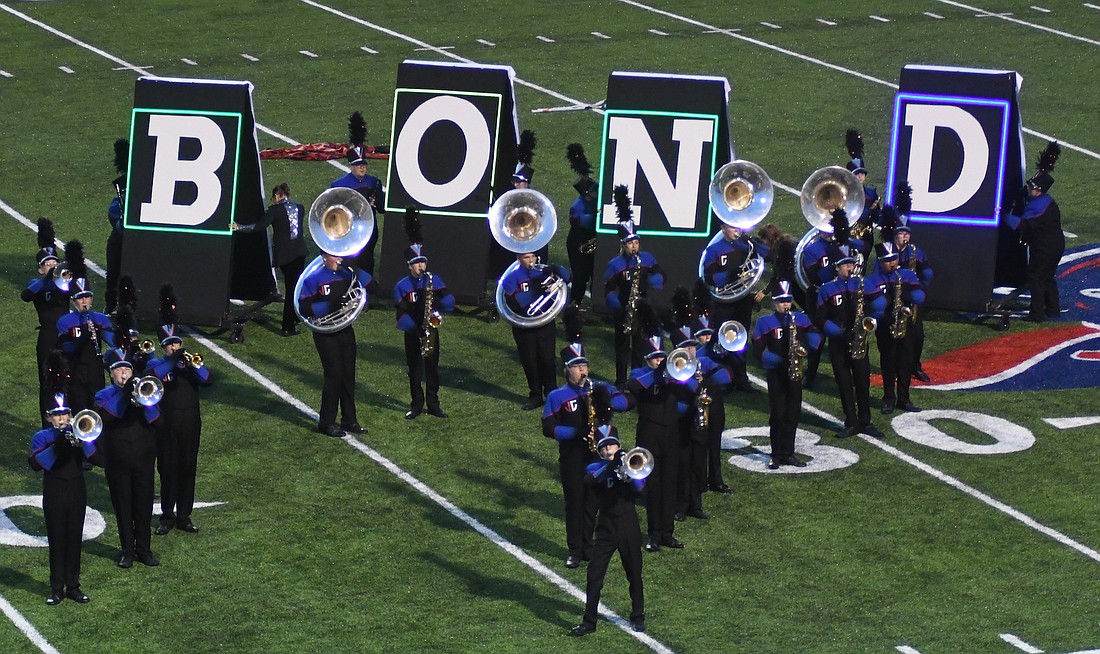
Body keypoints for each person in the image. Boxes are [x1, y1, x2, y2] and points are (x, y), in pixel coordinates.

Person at [541, 315, 628, 568]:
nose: (583, 370)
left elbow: (625, 402)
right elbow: (548, 428)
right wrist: (577, 433)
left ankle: (588, 546)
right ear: (567, 369)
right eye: (577, 366)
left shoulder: (598, 387)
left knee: (592, 502)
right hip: (572, 456)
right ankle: (575, 549)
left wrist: (608, 401)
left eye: (585, 365)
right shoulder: (558, 396)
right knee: (575, 502)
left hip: (596, 455)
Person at [568, 426, 647, 636]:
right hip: (606, 529)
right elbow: (592, 480)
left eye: (612, 445)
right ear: (599, 450)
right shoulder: (595, 467)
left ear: (619, 445)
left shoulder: (630, 464)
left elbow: (641, 489)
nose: (608, 449)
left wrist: (627, 471)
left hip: (629, 527)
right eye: (604, 447)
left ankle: (638, 617)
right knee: (594, 575)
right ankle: (589, 621)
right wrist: (613, 464)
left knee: (634, 574)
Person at [624, 308, 692, 552]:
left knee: (669, 483)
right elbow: (635, 385)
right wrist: (658, 374)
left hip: (671, 433)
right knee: (653, 486)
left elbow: (692, 386)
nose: (659, 361)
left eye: (662, 357)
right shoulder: (640, 374)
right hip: (649, 433)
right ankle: (654, 533)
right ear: (647, 359)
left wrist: (671, 375)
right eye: (655, 358)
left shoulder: (675, 373)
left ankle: (667, 533)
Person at [145, 300, 212, 536]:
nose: (174, 347)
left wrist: (190, 364)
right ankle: (167, 516)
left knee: (187, 468)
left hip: (191, 425)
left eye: (177, 343)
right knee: (167, 469)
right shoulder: (158, 364)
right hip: (166, 426)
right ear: (164, 347)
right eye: (170, 345)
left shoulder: (189, 364)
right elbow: (151, 376)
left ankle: (184, 515)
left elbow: (207, 379)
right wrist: (173, 362)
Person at [28, 392, 100, 605]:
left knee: (74, 538)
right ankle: (57, 588)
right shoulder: (42, 437)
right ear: (49, 417)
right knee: (57, 540)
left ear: (71, 415)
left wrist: (81, 440)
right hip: (54, 491)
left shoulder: (79, 432)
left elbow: (96, 458)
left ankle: (74, 586)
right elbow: (35, 464)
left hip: (77, 489)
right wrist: (61, 442)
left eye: (65, 414)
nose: (61, 419)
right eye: (57, 415)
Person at [296, 251, 374, 438]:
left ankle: (349, 420)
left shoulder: (346, 274)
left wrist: (354, 268)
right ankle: (326, 422)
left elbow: (373, 286)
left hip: (345, 329)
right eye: (335, 256)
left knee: (348, 375)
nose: (339, 260)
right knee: (334, 376)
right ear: (324, 257)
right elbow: (304, 308)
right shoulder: (313, 279)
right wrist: (332, 305)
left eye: (340, 256)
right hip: (325, 333)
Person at [96, 347, 160, 568]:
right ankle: (127, 551)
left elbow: (158, 422)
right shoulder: (103, 395)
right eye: (119, 369)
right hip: (117, 460)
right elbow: (105, 419)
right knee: (122, 505)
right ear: (110, 373)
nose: (124, 373)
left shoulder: (144, 392)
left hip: (143, 459)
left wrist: (143, 402)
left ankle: (144, 549)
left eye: (127, 368)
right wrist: (125, 395)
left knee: (143, 503)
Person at [752, 281, 822, 469]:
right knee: (778, 414)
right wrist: (775, 360)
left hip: (795, 372)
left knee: (793, 413)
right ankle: (776, 454)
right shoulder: (765, 322)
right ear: (774, 303)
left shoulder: (799, 319)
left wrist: (806, 350)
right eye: (782, 301)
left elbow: (815, 335)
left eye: (788, 301)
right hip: (776, 374)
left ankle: (788, 452)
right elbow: (756, 349)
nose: (786, 305)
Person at [816, 245, 883, 439]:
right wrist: (833, 330)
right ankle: (851, 422)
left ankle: (866, 420)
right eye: (845, 265)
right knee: (844, 384)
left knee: (863, 382)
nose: (849, 268)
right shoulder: (827, 289)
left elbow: (878, 302)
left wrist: (872, 316)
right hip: (838, 343)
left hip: (859, 339)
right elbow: (819, 317)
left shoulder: (860, 284)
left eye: (851, 264)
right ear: (837, 267)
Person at [604, 187, 665, 387]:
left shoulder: (646, 259)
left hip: (643, 306)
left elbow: (660, 274)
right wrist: (616, 305)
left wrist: (654, 281)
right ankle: (620, 380)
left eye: (636, 242)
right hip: (624, 308)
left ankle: (637, 376)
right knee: (622, 347)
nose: (634, 246)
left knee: (640, 345)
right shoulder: (615, 264)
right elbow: (609, 289)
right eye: (630, 244)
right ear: (623, 244)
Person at [394, 225, 455, 420]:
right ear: (409, 266)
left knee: (432, 370)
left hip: (432, 331)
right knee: (414, 371)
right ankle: (416, 404)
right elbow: (400, 316)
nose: (421, 266)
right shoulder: (402, 286)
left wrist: (437, 302)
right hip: (414, 334)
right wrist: (416, 330)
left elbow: (450, 302)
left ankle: (434, 403)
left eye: (423, 262)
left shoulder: (434, 280)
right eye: (416, 263)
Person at [233, 182, 308, 336]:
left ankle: (288, 326)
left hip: (285, 256)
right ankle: (294, 317)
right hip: (300, 253)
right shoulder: (300, 208)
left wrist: (239, 227)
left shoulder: (275, 211)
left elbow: (259, 226)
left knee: (291, 289)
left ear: (277, 196)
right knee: (296, 287)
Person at [500, 251, 571, 410]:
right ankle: (535, 395)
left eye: (532, 256)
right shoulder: (511, 278)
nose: (531, 260)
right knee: (530, 360)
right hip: (523, 326)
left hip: (545, 322)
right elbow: (517, 302)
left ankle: (551, 391)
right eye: (526, 257)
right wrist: (536, 291)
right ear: (519, 259)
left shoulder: (542, 272)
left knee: (548, 359)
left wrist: (556, 269)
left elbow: (568, 278)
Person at [700, 222, 767, 392]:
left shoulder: (747, 246)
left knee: (741, 339)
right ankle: (723, 378)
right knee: (722, 340)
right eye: (732, 227)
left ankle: (741, 378)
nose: (736, 230)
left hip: (742, 300)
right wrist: (731, 275)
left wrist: (754, 241)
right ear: (723, 228)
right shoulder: (714, 250)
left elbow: (768, 255)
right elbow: (709, 278)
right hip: (722, 302)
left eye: (738, 227)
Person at [867, 242, 926, 414]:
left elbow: (919, 294)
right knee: (888, 362)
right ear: (880, 261)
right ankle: (889, 399)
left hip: (906, 325)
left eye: (894, 258)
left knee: (905, 362)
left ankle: (904, 398)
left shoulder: (906, 275)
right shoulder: (873, 281)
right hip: (885, 326)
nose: (892, 263)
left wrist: (911, 295)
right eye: (888, 260)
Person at [1006, 149, 1064, 323]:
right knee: (1047, 276)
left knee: (1036, 277)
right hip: (1055, 245)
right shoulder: (1046, 201)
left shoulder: (1039, 205)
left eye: (1032, 187)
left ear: (1039, 190)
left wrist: (1002, 216)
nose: (1029, 189)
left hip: (1045, 247)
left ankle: (1036, 314)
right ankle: (1053, 309)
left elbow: (1022, 225)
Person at [22, 218, 69, 424]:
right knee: (47, 381)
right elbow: (26, 294)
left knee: (69, 377)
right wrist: (48, 279)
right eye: (47, 264)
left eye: (54, 263)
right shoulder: (37, 283)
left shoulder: (65, 282)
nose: (51, 267)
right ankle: (47, 422)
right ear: (40, 269)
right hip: (48, 336)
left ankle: (68, 417)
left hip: (65, 334)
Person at [56, 250, 116, 413]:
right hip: (76, 371)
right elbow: (66, 349)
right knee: (79, 411)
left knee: (97, 410)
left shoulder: (100, 319)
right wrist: (84, 336)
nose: (84, 301)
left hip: (95, 369)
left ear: (91, 298)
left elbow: (112, 342)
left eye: (87, 297)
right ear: (74, 300)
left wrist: (117, 334)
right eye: (80, 298)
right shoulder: (65, 321)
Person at [330, 112, 385, 279]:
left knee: (367, 261)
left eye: (363, 164)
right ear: (351, 166)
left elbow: (382, 208)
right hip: (348, 230)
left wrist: (377, 203)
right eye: (358, 165)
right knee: (349, 261)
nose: (362, 167)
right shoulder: (338, 185)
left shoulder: (374, 182)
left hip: (369, 230)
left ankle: (366, 290)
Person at [565, 143, 598, 308]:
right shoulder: (577, 206)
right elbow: (581, 221)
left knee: (596, 273)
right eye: (593, 190)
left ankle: (596, 304)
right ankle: (574, 305)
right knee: (580, 276)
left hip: (592, 241)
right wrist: (598, 216)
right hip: (578, 242)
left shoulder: (594, 199)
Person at [105, 139, 128, 315]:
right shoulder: (122, 188)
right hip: (121, 236)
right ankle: (111, 302)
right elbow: (113, 211)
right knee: (113, 271)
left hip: (139, 237)